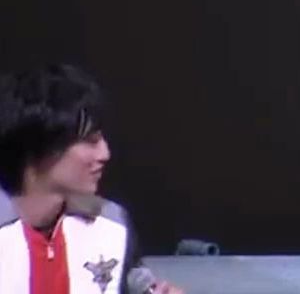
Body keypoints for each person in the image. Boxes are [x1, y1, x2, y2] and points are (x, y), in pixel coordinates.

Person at [0, 64, 185, 294]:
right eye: (90, 141)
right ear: (38, 146)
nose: (104, 154)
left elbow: (136, 282)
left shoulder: (111, 223)